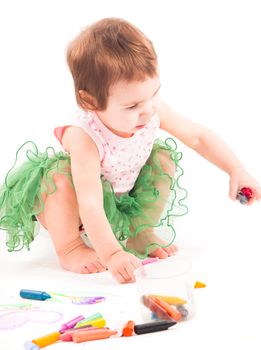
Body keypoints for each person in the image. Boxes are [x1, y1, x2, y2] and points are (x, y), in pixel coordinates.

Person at [0, 18, 260, 284]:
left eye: (153, 94)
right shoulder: (84, 135)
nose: (147, 110)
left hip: (120, 195)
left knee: (162, 158)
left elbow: (198, 137)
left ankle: (140, 232)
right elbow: (90, 202)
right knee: (59, 179)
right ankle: (69, 247)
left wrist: (235, 169)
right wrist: (112, 254)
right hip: (77, 206)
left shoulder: (150, 110)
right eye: (132, 106)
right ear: (90, 101)